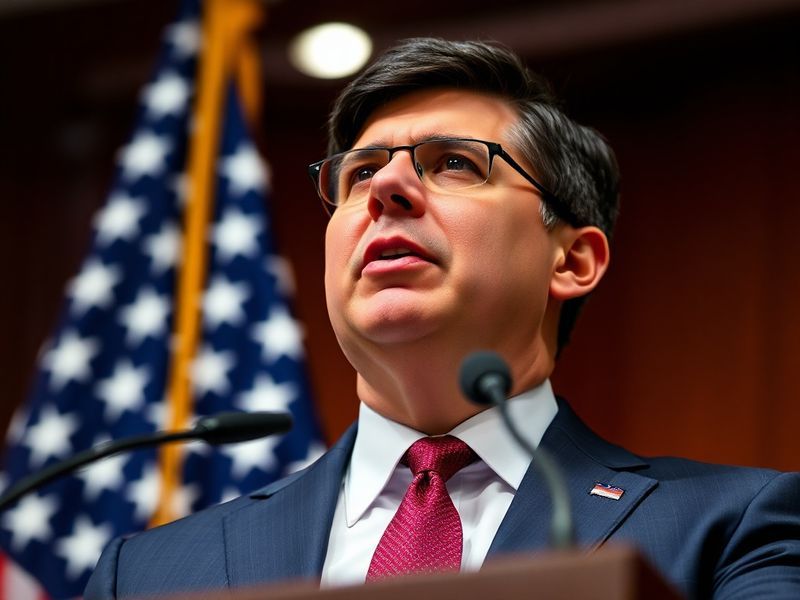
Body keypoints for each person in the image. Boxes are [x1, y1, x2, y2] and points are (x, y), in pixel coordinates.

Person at [85, 38, 800, 599]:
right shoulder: (148, 574)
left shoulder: (736, 530)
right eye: (359, 173)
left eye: (455, 163)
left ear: (572, 261)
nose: (387, 187)